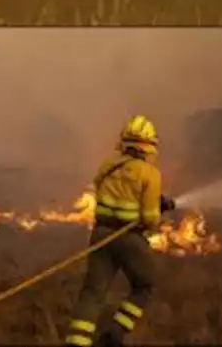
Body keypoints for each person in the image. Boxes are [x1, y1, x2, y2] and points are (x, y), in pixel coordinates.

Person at [65, 116, 176, 347]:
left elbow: (101, 188)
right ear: (149, 146)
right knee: (145, 284)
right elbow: (149, 219)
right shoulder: (150, 173)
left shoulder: (109, 165)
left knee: (93, 291)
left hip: (100, 235)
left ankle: (77, 342)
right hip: (128, 240)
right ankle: (115, 334)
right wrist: (159, 206)